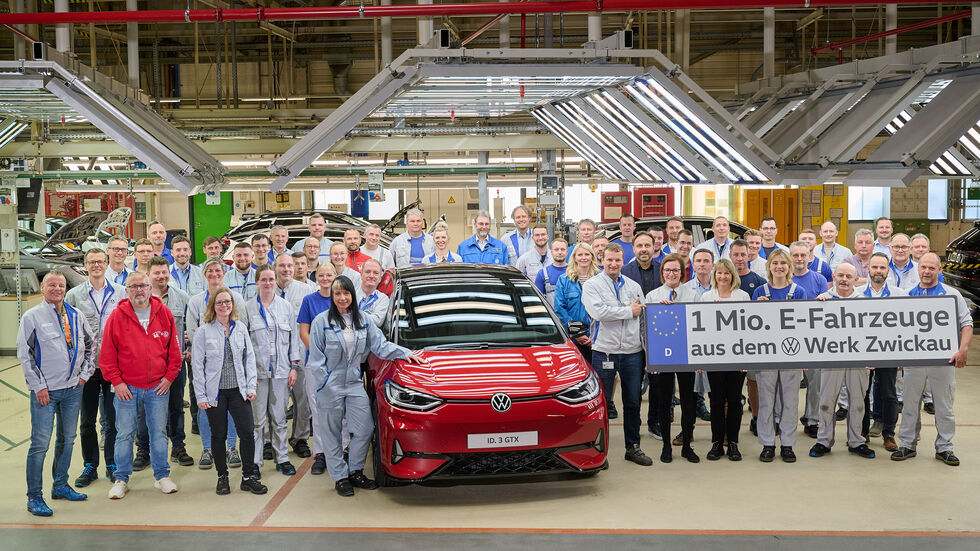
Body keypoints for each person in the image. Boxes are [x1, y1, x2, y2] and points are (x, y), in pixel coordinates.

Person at [308, 276, 426, 496]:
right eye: (337, 294)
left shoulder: (364, 320)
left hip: (353, 382)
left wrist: (407, 353)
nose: (342, 298)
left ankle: (355, 471)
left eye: (346, 293)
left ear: (353, 295)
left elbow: (380, 346)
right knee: (332, 433)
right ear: (332, 297)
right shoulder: (320, 322)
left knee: (365, 428)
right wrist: (325, 383)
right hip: (329, 385)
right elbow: (315, 360)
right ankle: (340, 477)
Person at [17, 271, 95, 516]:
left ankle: (60, 485)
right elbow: (25, 354)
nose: (57, 289)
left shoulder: (76, 315)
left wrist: (85, 375)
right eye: (52, 285)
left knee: (67, 439)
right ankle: (34, 497)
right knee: (40, 444)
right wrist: (38, 386)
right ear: (42, 287)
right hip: (46, 393)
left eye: (61, 285)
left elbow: (91, 346)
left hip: (73, 390)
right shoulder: (32, 317)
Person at [99, 271, 181, 499]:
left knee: (158, 432)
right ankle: (121, 479)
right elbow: (106, 357)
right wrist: (118, 382)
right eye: (134, 287)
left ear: (150, 288)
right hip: (127, 388)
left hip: (157, 388)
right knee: (124, 434)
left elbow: (174, 352)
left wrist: (168, 378)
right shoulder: (116, 317)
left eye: (143, 286)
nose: (139, 290)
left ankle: (162, 476)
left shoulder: (163, 313)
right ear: (126, 291)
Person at [891, 253, 972, 467]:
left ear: (939, 270)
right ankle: (907, 444)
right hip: (914, 360)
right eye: (923, 267)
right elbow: (899, 328)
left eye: (931, 268)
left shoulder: (951, 295)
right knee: (909, 404)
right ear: (919, 269)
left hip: (943, 360)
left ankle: (945, 447)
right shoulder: (908, 295)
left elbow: (967, 323)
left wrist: (962, 349)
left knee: (944, 405)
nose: (926, 271)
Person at [581, 242, 652, 467]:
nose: (613, 264)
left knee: (632, 402)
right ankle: (597, 452)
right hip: (605, 352)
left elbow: (643, 316)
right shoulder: (592, 285)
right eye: (609, 260)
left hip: (632, 352)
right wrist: (627, 311)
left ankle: (633, 447)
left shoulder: (633, 286)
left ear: (623, 261)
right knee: (600, 404)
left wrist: (646, 351)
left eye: (617, 260)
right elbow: (598, 312)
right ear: (602, 260)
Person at [192, 288, 268, 495]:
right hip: (215, 393)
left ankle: (247, 477)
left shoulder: (241, 328)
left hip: (238, 391)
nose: (224, 305)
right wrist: (200, 395)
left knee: (247, 434)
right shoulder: (203, 331)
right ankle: (222, 476)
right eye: (219, 303)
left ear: (233, 305)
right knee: (219, 435)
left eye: (227, 302)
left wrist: (251, 386)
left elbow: (249, 359)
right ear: (213, 307)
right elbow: (197, 366)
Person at [65, 249, 125, 488]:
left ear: (106, 263)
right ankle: (90, 465)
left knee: (111, 420)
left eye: (100, 261)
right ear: (85, 265)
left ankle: (111, 464)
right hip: (86, 369)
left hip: (113, 367)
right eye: (92, 262)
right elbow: (66, 329)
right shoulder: (74, 295)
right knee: (87, 420)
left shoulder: (120, 293)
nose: (96, 265)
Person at [808, 263, 876, 459]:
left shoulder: (865, 302)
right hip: (831, 359)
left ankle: (856, 442)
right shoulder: (822, 300)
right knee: (827, 402)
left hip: (857, 359)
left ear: (856, 280)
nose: (844, 279)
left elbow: (873, 333)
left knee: (857, 403)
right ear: (834, 277)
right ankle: (823, 441)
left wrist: (872, 356)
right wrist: (817, 308)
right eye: (840, 275)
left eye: (848, 276)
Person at [752, 248, 812, 463]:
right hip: (766, 354)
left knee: (790, 400)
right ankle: (767, 443)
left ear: (789, 267)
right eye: (775, 263)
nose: (779, 267)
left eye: (783, 263)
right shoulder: (759, 291)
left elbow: (804, 323)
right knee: (766, 401)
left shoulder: (798, 292)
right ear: (769, 266)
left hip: (791, 353)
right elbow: (750, 326)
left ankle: (787, 444)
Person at [186, 259, 247, 470]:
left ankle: (231, 447)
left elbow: (241, 328)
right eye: (210, 271)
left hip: (231, 364)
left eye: (218, 270)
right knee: (205, 406)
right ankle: (207, 448)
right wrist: (204, 351)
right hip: (205, 364)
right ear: (204, 275)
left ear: (224, 273)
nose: (214, 274)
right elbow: (193, 331)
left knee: (230, 408)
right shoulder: (195, 302)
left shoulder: (236, 298)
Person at [645, 253, 700, 464]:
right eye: (667, 270)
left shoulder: (692, 295)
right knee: (664, 401)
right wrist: (652, 360)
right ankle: (666, 445)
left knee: (688, 401)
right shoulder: (652, 296)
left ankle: (686, 445)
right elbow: (646, 330)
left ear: (682, 272)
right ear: (662, 273)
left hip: (686, 355)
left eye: (675, 270)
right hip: (663, 358)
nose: (671, 274)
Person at [247, 265, 301, 477]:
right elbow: (243, 343)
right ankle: (255, 462)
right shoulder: (247, 308)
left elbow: (293, 338)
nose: (268, 283)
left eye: (271, 279)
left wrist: (293, 367)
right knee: (258, 420)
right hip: (258, 374)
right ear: (257, 281)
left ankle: (283, 459)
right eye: (264, 279)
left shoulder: (285, 307)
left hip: (281, 372)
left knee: (279, 419)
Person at [142, 257, 193, 469]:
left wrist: (188, 349)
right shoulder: (139, 299)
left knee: (175, 406)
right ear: (148, 275)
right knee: (144, 408)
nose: (161, 276)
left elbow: (191, 329)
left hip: (175, 363)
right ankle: (143, 449)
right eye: (157, 273)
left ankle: (178, 446)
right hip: (146, 366)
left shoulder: (182, 297)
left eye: (164, 272)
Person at [700, 259, 750, 461]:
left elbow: (748, 328)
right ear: (714, 275)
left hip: (738, 356)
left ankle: (734, 443)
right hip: (714, 357)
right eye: (719, 273)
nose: (723, 277)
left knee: (735, 400)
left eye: (726, 273)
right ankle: (717, 442)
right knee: (716, 400)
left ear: (733, 276)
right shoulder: (706, 297)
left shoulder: (743, 296)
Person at [857, 252, 907, 452]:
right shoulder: (856, 293)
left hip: (889, 352)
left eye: (882, 268)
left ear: (888, 270)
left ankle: (889, 434)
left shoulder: (900, 295)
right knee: (861, 393)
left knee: (889, 393)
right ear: (868, 269)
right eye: (875, 267)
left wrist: (902, 353)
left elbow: (906, 325)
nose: (878, 271)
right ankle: (862, 432)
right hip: (861, 352)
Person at [297, 263, 339, 475]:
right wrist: (317, 353)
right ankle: (321, 453)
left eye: (329, 275)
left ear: (335, 276)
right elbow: (303, 331)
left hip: (340, 362)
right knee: (318, 408)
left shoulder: (342, 298)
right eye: (321, 275)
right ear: (316, 278)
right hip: (315, 361)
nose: (325, 278)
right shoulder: (309, 301)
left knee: (342, 408)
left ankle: (341, 451)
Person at [620, 231, 663, 438]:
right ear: (634, 248)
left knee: (657, 383)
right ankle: (634, 422)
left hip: (659, 334)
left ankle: (654, 421)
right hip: (633, 334)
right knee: (633, 383)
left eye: (647, 245)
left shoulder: (663, 270)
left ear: (654, 247)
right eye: (640, 246)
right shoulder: (624, 272)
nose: (644, 249)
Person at [729, 239, 766, 435]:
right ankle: (728, 424)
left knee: (754, 382)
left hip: (752, 343)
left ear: (749, 255)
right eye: (736, 254)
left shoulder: (759, 282)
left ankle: (756, 418)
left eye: (743, 254)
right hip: (728, 344)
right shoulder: (723, 279)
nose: (740, 258)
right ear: (730, 256)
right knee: (729, 386)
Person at [553, 242, 598, 366]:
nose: (583, 257)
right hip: (573, 340)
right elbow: (559, 309)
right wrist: (577, 333)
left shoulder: (601, 279)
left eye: (587, 254)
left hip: (597, 339)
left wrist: (594, 336)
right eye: (580, 254)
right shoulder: (564, 280)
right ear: (574, 258)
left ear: (592, 257)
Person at [534, 238, 568, 305]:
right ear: (551, 252)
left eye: (562, 249)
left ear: (567, 252)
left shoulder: (574, 272)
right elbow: (537, 300)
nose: (560, 252)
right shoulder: (542, 273)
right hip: (551, 314)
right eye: (556, 249)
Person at [356, 259, 390, 327]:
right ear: (361, 275)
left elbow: (377, 322)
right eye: (368, 272)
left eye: (376, 273)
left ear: (380, 278)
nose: (371, 276)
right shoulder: (351, 294)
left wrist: (354, 316)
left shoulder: (383, 299)